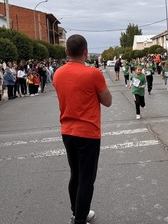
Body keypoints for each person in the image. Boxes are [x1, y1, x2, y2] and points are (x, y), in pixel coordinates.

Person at [53, 34, 112, 224]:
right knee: (87, 179)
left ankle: (76, 212)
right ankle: (80, 219)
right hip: (88, 132)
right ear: (86, 52)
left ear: (66, 52)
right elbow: (108, 101)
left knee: (75, 174)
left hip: (67, 131)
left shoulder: (58, 73)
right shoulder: (93, 73)